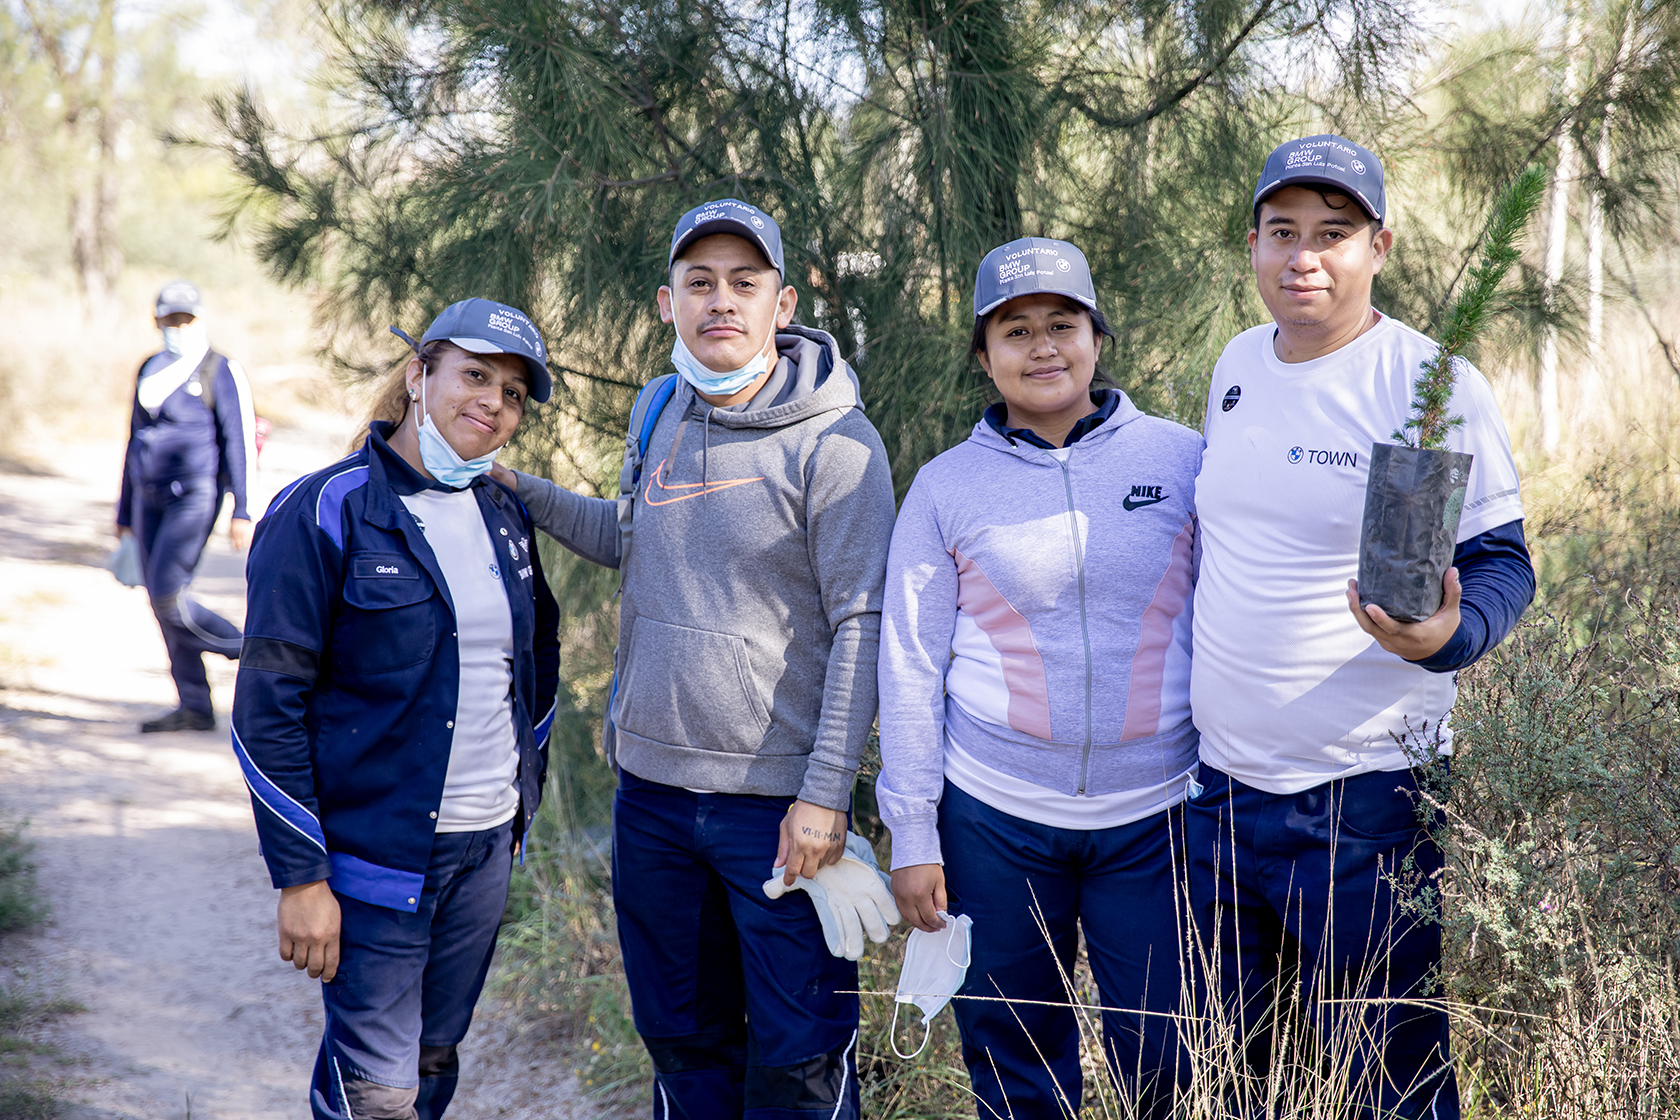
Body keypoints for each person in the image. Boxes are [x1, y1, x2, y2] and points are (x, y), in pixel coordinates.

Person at [494, 198, 897, 1120]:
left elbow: (863, 624)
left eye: (744, 283)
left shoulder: (838, 446)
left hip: (779, 813)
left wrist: (826, 794)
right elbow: (635, 540)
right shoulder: (659, 408)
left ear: (783, 303)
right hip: (653, 800)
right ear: (666, 301)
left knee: (798, 1063)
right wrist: (523, 489)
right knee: (683, 1049)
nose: (722, 300)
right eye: (700, 282)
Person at [1186, 135, 1536, 1118]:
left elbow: (1504, 565)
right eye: (1282, 232)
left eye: (1333, 233)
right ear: (1252, 245)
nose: (1304, 255)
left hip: (1365, 801)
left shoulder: (1430, 385)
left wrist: (1445, 641)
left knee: (1393, 1078)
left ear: (1379, 245)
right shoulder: (1237, 365)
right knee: (1225, 1072)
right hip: (1218, 793)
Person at [876, 237, 1200, 1119]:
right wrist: (913, 832)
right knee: (1018, 1064)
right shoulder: (945, 488)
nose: (1043, 346)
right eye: (1015, 331)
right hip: (996, 819)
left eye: (1063, 323)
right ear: (985, 357)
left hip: (1158, 816)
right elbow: (908, 659)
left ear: (1098, 337)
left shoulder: (1183, 460)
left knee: (1171, 1056)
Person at [231, 298, 561, 1120]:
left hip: (483, 850)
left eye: (514, 392)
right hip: (374, 862)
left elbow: (536, 667)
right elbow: (266, 704)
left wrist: (520, 807)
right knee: (380, 1093)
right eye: (475, 375)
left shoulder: (504, 514)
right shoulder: (324, 510)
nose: (492, 401)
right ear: (419, 376)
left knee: (432, 1059)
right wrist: (302, 876)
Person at [117, 280, 255, 732]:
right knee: (160, 602)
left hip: (193, 497)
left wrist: (243, 509)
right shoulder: (150, 369)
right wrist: (124, 513)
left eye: (185, 319)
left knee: (168, 596)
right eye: (169, 319)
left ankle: (255, 654)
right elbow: (133, 439)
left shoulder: (219, 369)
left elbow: (239, 443)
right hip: (147, 500)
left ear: (199, 320)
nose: (177, 326)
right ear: (157, 321)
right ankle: (194, 704)